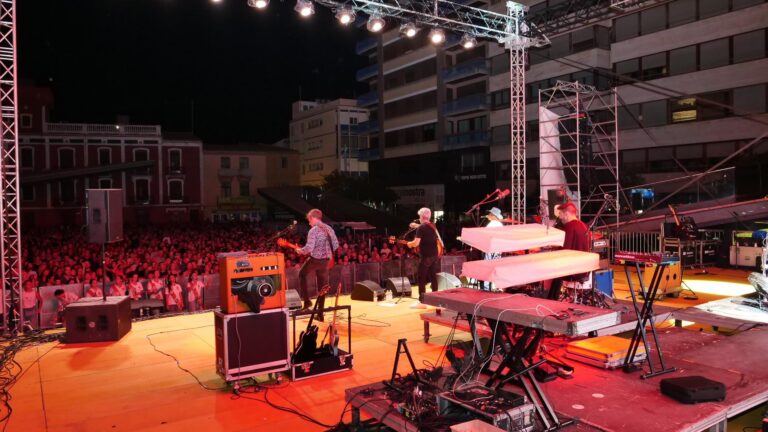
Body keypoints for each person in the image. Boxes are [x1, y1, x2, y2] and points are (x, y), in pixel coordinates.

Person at [296, 209, 339, 320]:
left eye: (309, 220)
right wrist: (327, 252)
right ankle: (320, 315)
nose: (309, 223)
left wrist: (300, 250)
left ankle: (306, 301)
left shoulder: (313, 230)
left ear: (313, 218)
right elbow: (336, 245)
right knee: (322, 288)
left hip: (315, 260)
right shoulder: (329, 228)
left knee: (302, 274)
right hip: (325, 261)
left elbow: (309, 248)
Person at [546, 202, 591, 300]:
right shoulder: (584, 225)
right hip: (584, 268)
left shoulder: (570, 226)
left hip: (574, 270)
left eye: (560, 214)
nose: (560, 217)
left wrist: (551, 251)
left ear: (566, 214)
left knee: (550, 269)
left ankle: (551, 300)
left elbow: (565, 251)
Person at [406, 207, 442, 308]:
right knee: (433, 277)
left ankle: (422, 302)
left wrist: (410, 244)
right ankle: (436, 300)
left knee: (421, 278)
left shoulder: (422, 228)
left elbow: (416, 243)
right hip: (434, 255)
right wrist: (417, 225)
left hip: (426, 256)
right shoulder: (432, 226)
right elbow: (425, 227)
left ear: (421, 216)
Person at [482, 207, 505, 291]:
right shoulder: (500, 225)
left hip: (491, 249)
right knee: (496, 268)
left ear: (493, 215)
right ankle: (498, 287)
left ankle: (487, 288)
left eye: (490, 214)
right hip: (498, 249)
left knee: (488, 268)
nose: (489, 215)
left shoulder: (492, 224)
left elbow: (484, 236)